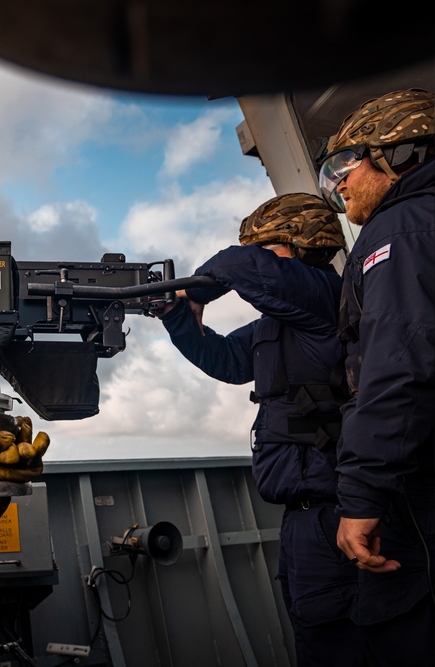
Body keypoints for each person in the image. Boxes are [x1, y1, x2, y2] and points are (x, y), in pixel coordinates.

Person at [156, 193, 366, 666]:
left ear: (301, 246)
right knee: (313, 636)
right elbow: (227, 360)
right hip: (302, 516)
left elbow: (239, 264)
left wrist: (197, 288)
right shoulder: (280, 323)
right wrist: (177, 316)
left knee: (336, 645)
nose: (259, 258)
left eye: (268, 248)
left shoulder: (327, 299)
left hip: (338, 510)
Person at [317, 88, 434, 665]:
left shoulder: (398, 231)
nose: (339, 183)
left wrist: (361, 495)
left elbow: (398, 367)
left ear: (402, 153)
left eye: (348, 164)